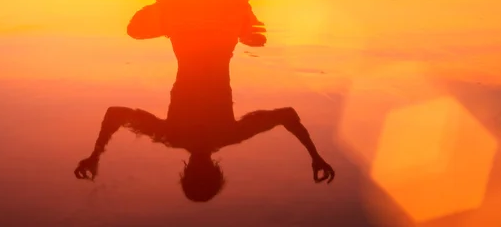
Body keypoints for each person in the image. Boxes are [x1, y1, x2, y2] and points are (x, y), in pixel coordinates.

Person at [74, 30, 335, 201]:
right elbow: (114, 114)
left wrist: (315, 155)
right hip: (184, 31)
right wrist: (96, 154)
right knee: (136, 19)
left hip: (223, 33)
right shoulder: (171, 135)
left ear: (218, 173)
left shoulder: (230, 135)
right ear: (185, 174)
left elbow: (287, 115)